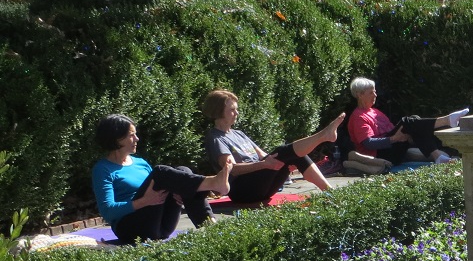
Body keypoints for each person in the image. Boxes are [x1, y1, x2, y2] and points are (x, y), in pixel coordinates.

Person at [92, 114, 232, 245]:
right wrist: (144, 201)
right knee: (160, 172)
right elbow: (108, 212)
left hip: (160, 226)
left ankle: (210, 225)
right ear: (117, 139)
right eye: (131, 135)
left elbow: (159, 189)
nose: (137, 139)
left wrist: (178, 193)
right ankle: (212, 182)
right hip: (131, 230)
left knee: (183, 170)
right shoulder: (103, 169)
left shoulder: (140, 163)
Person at [201, 89, 344, 203]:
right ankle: (322, 136)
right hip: (242, 191)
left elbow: (264, 156)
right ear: (218, 112)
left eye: (236, 109)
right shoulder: (216, 138)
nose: (236, 113)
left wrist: (284, 164)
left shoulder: (239, 134)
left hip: (261, 186)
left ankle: (330, 193)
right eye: (232, 110)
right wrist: (264, 165)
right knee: (283, 151)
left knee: (295, 156)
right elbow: (232, 169)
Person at [346, 77, 468, 165]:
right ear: (360, 95)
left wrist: (408, 135)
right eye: (371, 92)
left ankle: (438, 156)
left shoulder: (376, 112)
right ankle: (447, 120)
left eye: (375, 91)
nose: (375, 95)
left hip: (393, 147)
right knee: (408, 121)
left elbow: (392, 130)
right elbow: (368, 143)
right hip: (380, 155)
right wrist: (394, 139)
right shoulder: (358, 117)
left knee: (413, 121)